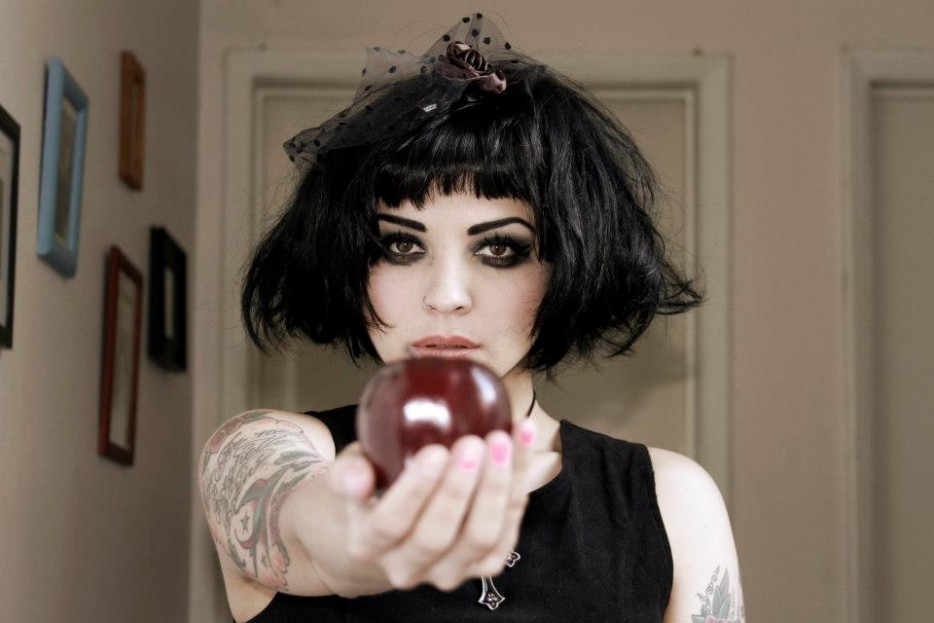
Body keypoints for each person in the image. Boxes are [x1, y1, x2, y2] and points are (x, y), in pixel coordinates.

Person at [200, 13, 744, 623]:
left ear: (568, 265)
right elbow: (300, 519)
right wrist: (355, 537)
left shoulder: (671, 500)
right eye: (401, 246)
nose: (446, 296)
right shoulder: (259, 449)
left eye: (500, 248)